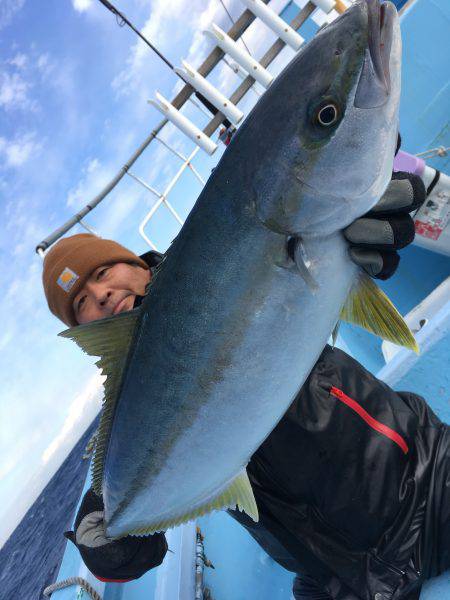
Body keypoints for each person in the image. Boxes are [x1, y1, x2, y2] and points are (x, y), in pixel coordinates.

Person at [42, 169, 449, 599]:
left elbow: (297, 237)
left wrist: (343, 229)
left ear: (138, 265)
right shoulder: (131, 425)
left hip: (426, 482)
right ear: (83, 332)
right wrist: (106, 540)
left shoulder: (233, 273)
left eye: (104, 271)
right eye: (82, 302)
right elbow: (137, 550)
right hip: (336, 577)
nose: (102, 294)